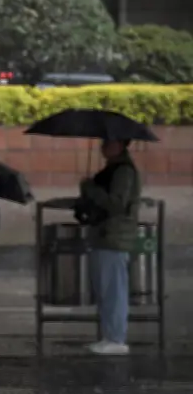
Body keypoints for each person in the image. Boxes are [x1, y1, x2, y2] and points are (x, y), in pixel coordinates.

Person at [80, 139, 141, 355]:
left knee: (114, 289)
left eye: (109, 142)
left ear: (121, 145)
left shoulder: (123, 172)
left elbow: (116, 204)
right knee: (105, 289)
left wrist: (92, 189)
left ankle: (116, 338)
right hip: (104, 235)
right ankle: (109, 335)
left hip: (114, 236)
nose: (103, 145)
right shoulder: (111, 170)